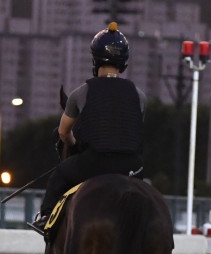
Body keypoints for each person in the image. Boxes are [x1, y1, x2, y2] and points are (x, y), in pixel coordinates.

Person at [30, 21, 147, 235]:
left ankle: (45, 218)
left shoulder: (80, 93)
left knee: (61, 174)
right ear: (124, 62)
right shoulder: (139, 96)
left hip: (95, 163)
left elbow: (64, 132)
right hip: (132, 166)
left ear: (95, 59)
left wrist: (73, 146)